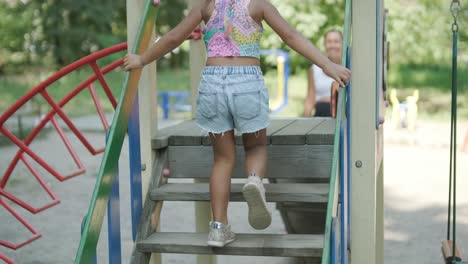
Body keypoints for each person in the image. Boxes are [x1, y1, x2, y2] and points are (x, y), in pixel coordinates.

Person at [124, 0, 350, 248]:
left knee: (223, 159)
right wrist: (327, 65)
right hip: (246, 85)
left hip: (212, 84)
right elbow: (291, 36)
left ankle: (219, 228)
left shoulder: (206, 6)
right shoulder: (258, 5)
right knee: (255, 147)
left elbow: (173, 37)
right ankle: (254, 181)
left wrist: (141, 59)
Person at [303, 29, 343, 117]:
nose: (332, 45)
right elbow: (310, 99)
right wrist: (305, 123)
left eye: (336, 41)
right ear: (325, 45)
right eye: (329, 42)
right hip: (322, 115)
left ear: (343, 44)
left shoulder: (349, 68)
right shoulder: (315, 69)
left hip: (343, 116)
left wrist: (330, 100)